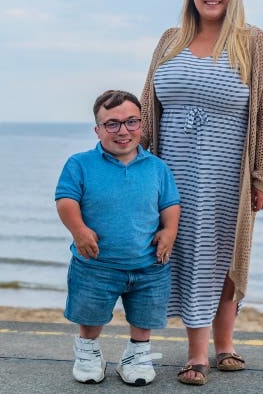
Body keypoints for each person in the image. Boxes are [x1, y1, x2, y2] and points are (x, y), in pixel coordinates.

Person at [139, 0, 263, 386]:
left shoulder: (253, 42)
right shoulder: (170, 40)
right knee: (185, 254)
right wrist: (133, 162)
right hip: (171, 171)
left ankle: (222, 346)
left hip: (227, 174)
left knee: (223, 256)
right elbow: (148, 104)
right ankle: (197, 352)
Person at [55, 90, 181, 386]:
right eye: (112, 124)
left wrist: (169, 231)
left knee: (145, 315)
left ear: (141, 125)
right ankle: (88, 352)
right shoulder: (80, 164)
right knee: (90, 313)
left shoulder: (157, 167)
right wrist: (79, 230)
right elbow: (65, 200)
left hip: (149, 263)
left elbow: (170, 204)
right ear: (98, 130)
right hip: (96, 263)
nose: (123, 131)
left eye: (131, 122)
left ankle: (136, 355)